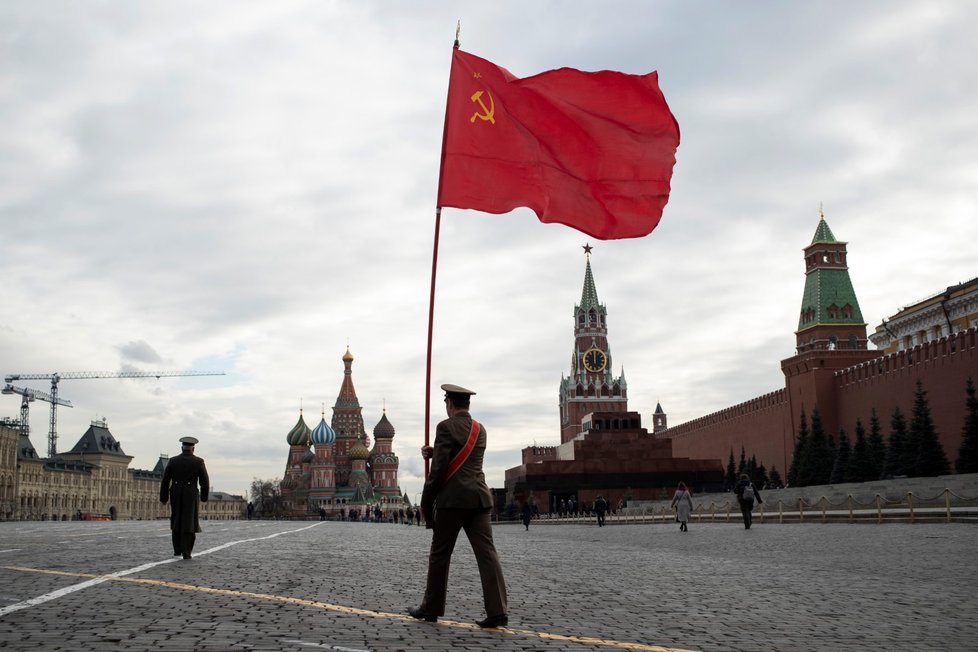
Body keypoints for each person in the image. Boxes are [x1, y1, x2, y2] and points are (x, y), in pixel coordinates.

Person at [409, 384, 508, 629]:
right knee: (487, 555)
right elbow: (464, 456)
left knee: (440, 554)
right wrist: (436, 451)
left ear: (450, 404)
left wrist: (425, 500)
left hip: (452, 502)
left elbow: (439, 470)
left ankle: (431, 608)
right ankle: (498, 611)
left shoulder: (445, 427)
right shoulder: (479, 429)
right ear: (467, 405)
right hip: (479, 500)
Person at [159, 436, 209, 559]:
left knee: (176, 520)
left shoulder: (173, 461)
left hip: (175, 492)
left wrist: (164, 497)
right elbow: (205, 481)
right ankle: (187, 551)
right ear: (193, 448)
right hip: (190, 494)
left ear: (182, 447)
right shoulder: (199, 461)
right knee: (189, 521)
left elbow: (165, 480)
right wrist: (204, 496)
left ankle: (177, 550)